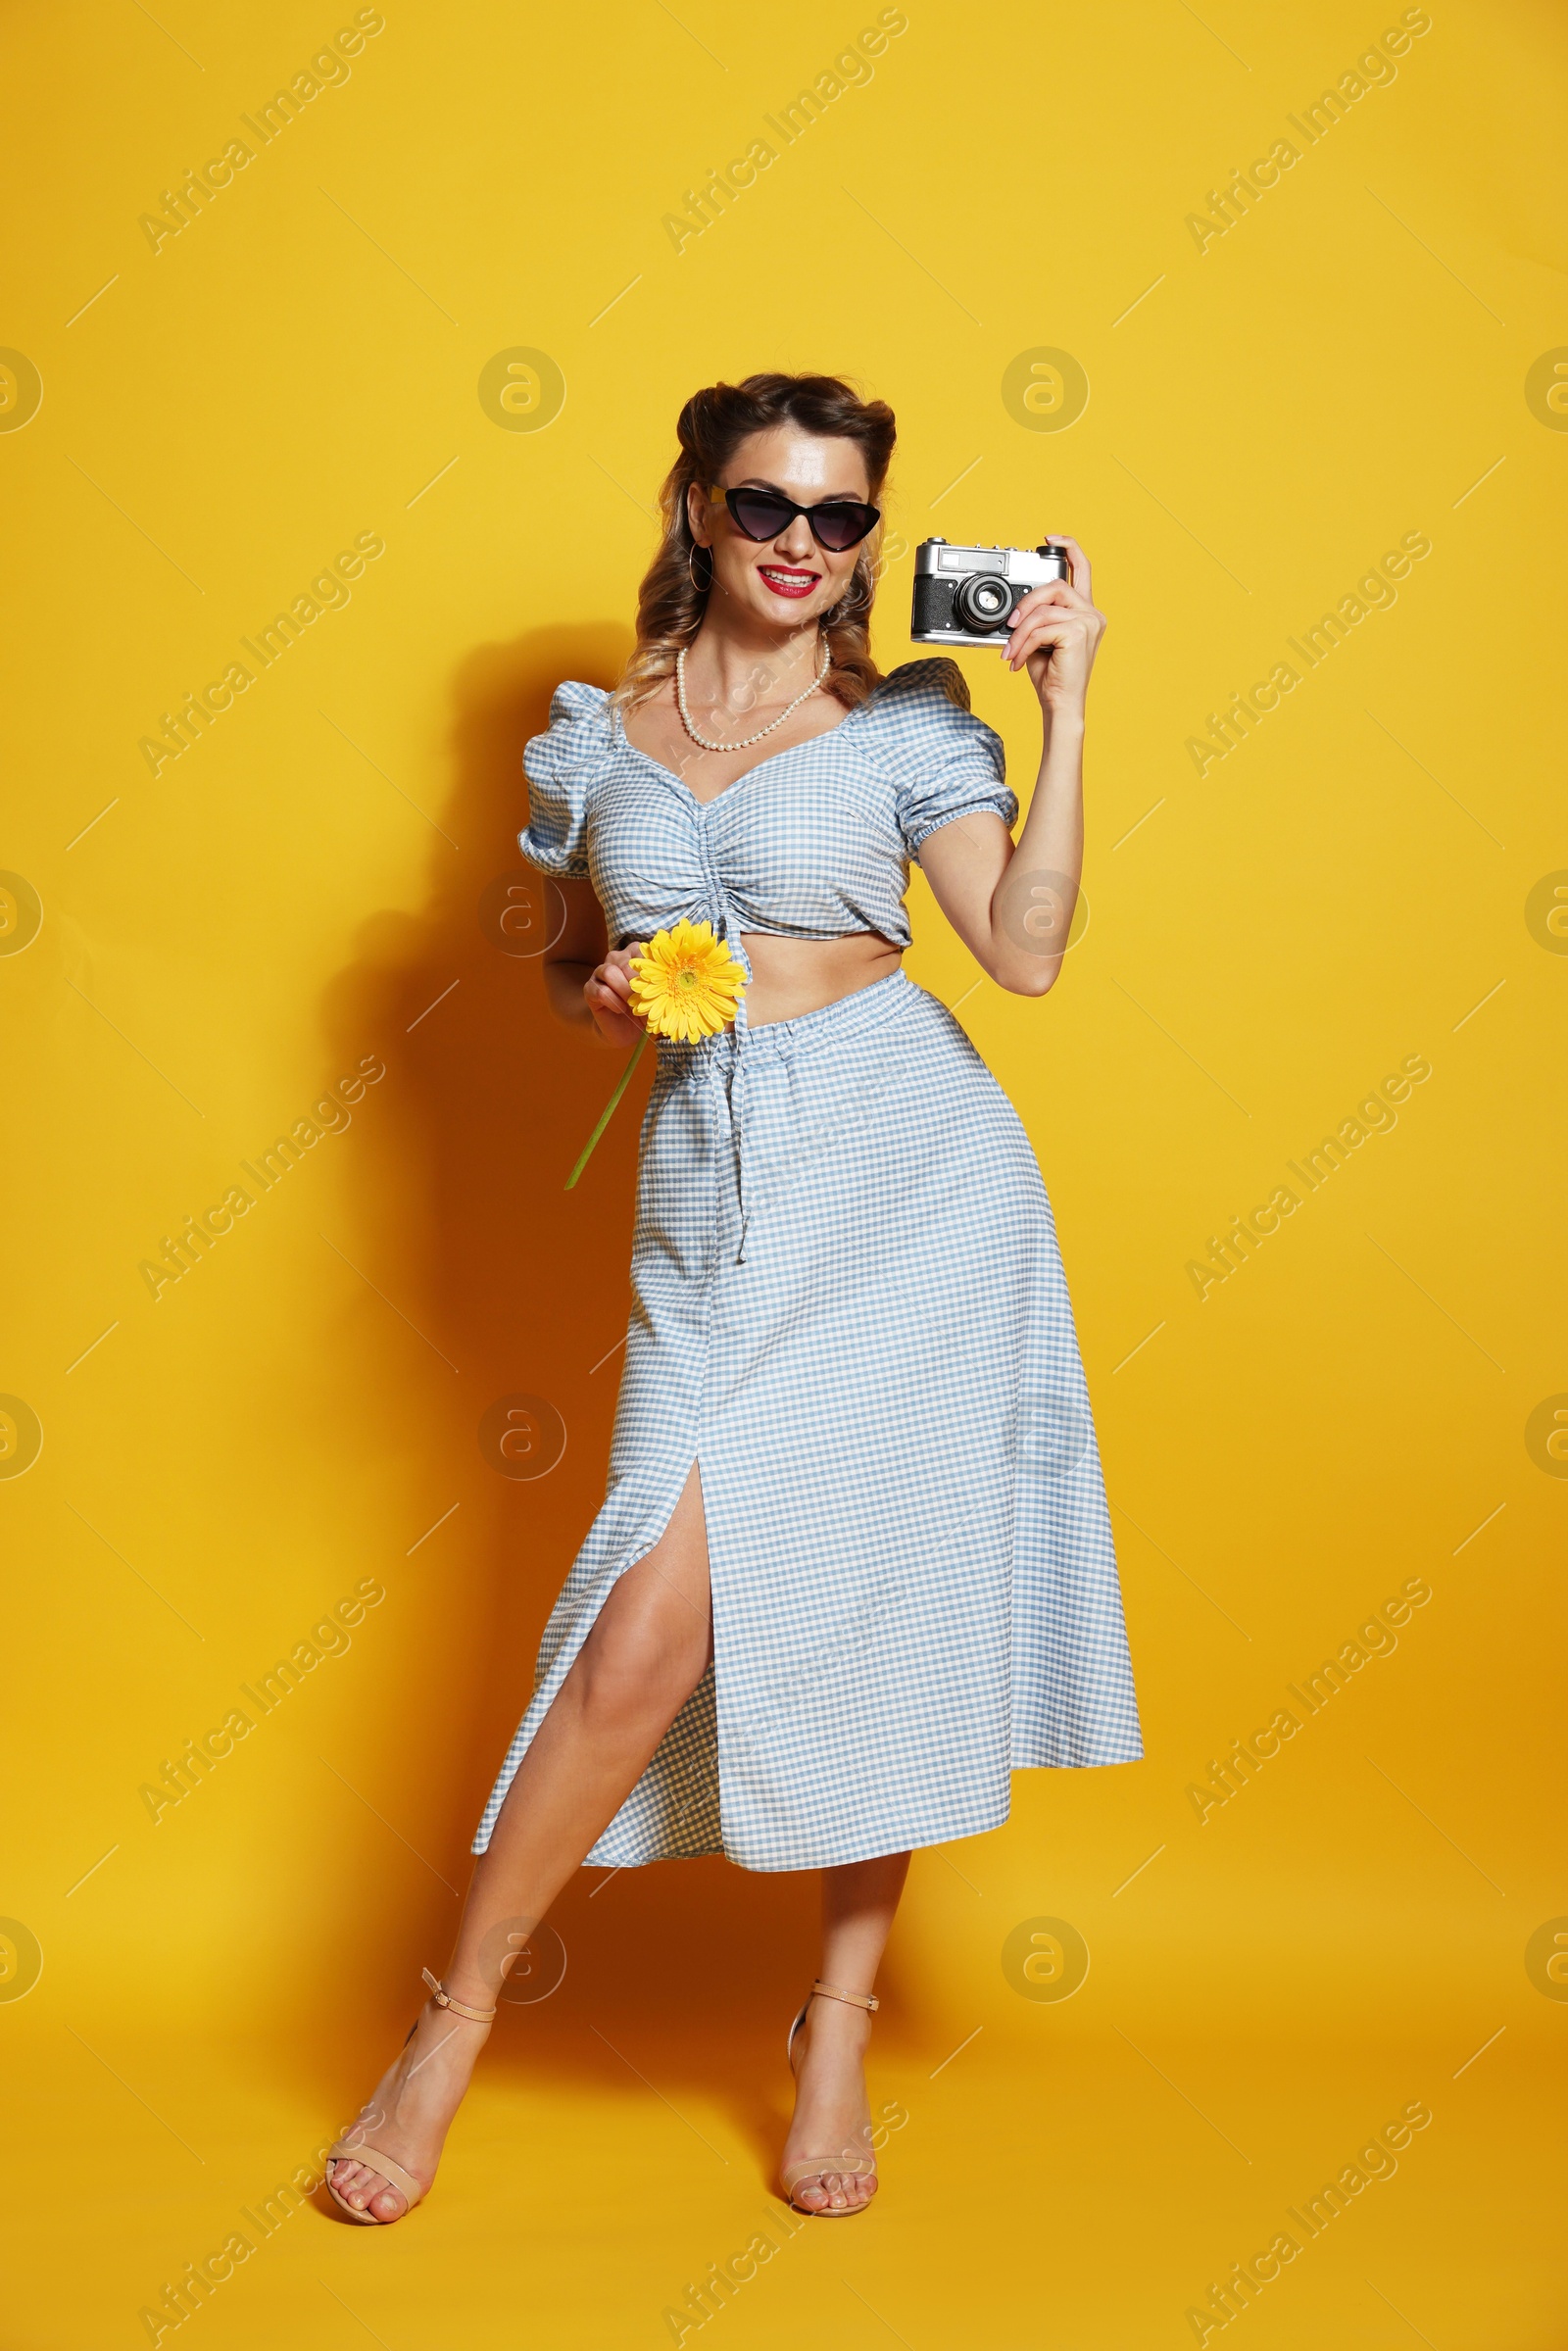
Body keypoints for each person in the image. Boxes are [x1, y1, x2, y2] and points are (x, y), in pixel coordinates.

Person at [327, 370, 1141, 2227]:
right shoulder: (593, 740)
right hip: (708, 1190)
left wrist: (1069, 708)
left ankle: (837, 2023)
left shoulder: (907, 725)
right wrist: (597, 1001)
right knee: (637, 1641)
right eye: (766, 506)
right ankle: (445, 2033)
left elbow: (1022, 953)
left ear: (871, 541)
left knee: (888, 1608)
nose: (802, 547)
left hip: (911, 1182)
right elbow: (559, 967)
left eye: (840, 519)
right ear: (698, 505)